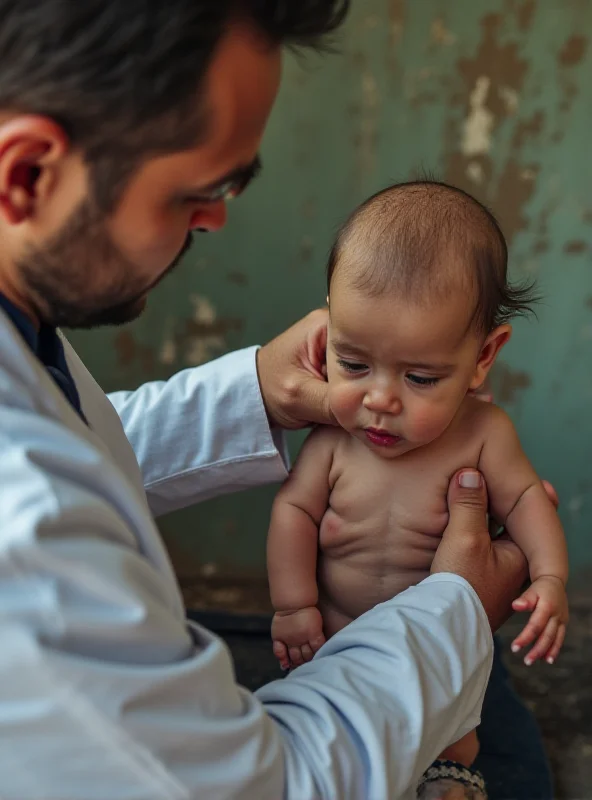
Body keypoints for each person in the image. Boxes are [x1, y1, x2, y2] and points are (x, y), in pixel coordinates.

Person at [0, 3, 549, 798]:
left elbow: (73, 452)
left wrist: (252, 392)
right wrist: (457, 608)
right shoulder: (27, 543)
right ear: (27, 174)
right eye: (193, 194)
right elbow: (271, 786)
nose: (217, 219)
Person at [267, 181, 568, 795]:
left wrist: (549, 577)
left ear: (484, 356)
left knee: (454, 725)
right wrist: (295, 605)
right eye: (352, 364)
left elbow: (528, 499)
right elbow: (293, 510)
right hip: (332, 637)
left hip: (445, 652)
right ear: (328, 327)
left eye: (422, 376)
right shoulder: (335, 436)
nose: (379, 400)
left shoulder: (484, 432)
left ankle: (449, 776)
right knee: (311, 729)